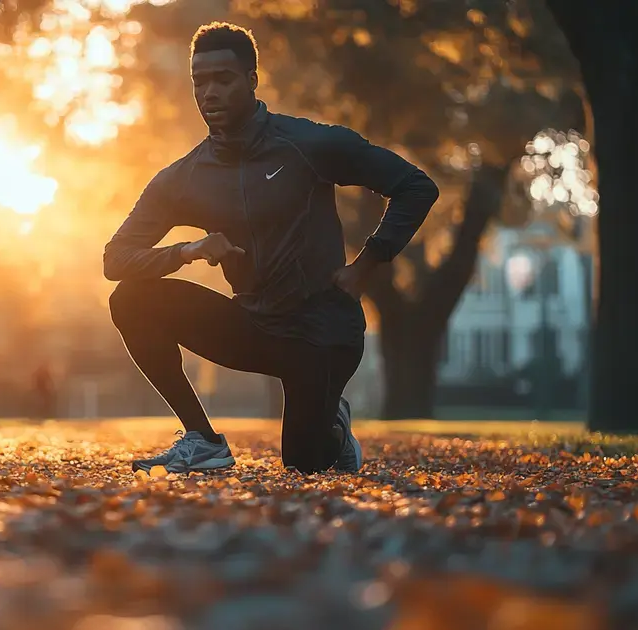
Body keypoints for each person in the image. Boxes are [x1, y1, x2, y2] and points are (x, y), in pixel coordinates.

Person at [103, 22, 439, 475]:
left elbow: (416, 187)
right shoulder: (185, 177)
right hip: (255, 327)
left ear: (251, 80)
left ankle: (332, 425)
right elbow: (116, 259)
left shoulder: (307, 144)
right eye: (200, 82)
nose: (210, 93)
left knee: (304, 463)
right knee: (131, 298)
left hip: (322, 330)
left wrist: (367, 265)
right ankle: (202, 440)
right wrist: (187, 250)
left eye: (223, 79)